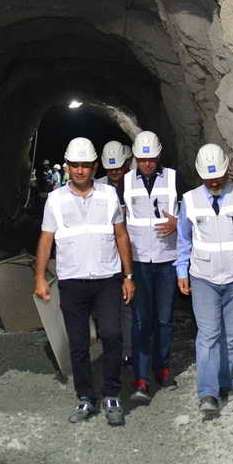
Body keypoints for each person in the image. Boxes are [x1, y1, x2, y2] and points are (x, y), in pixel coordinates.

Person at [33, 137, 135, 427]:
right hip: (72, 281)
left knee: (112, 335)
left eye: (85, 165)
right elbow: (46, 239)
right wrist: (39, 277)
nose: (80, 170)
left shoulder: (108, 195)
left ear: (95, 166)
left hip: (106, 280)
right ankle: (85, 397)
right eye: (75, 165)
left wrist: (128, 276)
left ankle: (112, 394)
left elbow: (121, 235)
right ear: (67, 166)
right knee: (78, 344)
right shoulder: (56, 199)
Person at [175, 144, 233, 420]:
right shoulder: (190, 200)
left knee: (231, 335)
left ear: (228, 171)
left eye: (218, 177)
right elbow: (183, 240)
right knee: (209, 334)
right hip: (203, 278)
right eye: (208, 179)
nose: (213, 183)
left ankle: (226, 381)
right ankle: (208, 392)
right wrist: (181, 271)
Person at [123, 131, 180, 403]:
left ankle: (162, 367)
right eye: (142, 159)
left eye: (152, 159)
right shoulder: (125, 181)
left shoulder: (173, 179)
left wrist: (178, 223)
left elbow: (192, 212)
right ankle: (141, 377)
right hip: (138, 261)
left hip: (166, 259)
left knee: (165, 319)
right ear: (135, 157)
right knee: (141, 320)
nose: (147, 163)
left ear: (159, 157)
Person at [98, 140, 134, 365]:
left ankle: (128, 350)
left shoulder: (135, 184)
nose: (115, 173)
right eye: (111, 169)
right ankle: (111, 348)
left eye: (119, 168)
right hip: (107, 254)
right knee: (108, 305)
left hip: (131, 253)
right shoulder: (98, 187)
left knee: (128, 304)